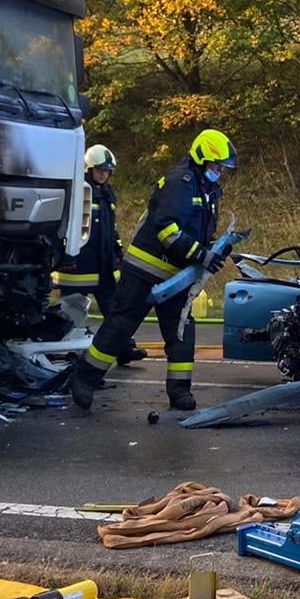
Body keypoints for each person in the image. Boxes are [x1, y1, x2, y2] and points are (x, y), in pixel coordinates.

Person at [68, 130, 236, 413]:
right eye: (215, 165)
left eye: (222, 167)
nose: (219, 171)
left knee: (181, 333)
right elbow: (167, 229)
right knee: (119, 328)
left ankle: (179, 393)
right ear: (200, 158)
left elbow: (198, 232)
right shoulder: (178, 184)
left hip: (176, 278)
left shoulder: (208, 191)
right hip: (144, 271)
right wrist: (199, 254)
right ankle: (84, 379)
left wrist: (215, 250)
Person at [52, 145, 142, 369]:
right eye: (100, 170)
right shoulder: (77, 192)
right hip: (78, 266)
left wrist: (117, 251)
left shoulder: (107, 194)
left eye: (107, 171)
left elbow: (111, 228)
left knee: (115, 310)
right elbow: (63, 227)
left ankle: (123, 349)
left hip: (102, 265)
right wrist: (65, 256)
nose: (104, 174)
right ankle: (72, 352)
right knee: (73, 312)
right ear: (88, 169)